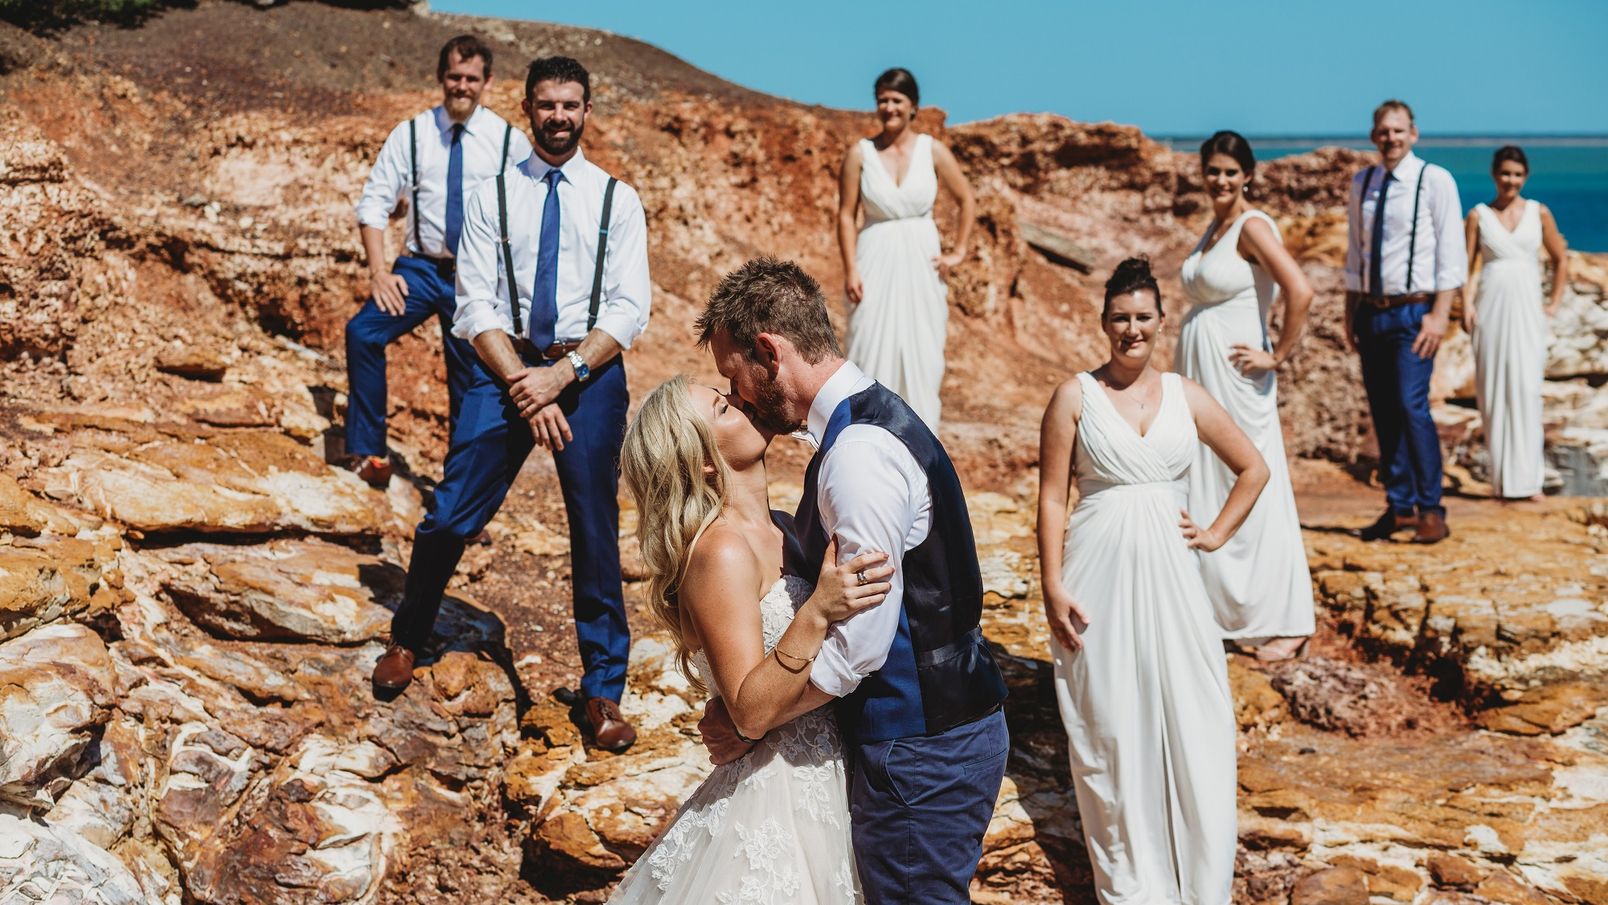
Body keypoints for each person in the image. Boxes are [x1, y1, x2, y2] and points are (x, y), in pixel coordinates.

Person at [695, 257, 1010, 904]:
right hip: (923, 740)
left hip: (921, 748)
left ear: (769, 351)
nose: (741, 397)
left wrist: (755, 717)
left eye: (736, 378)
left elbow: (862, 643)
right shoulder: (860, 428)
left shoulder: (859, 455)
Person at [371, 57, 652, 755]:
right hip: (503, 369)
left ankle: (602, 689)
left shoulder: (617, 199)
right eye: (547, 104)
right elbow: (473, 304)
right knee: (448, 513)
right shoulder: (492, 198)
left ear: (587, 112)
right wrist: (526, 381)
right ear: (527, 109)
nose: (559, 116)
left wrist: (561, 375)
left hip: (585, 374)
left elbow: (629, 307)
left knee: (593, 526)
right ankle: (409, 633)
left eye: (571, 105)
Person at [1036, 257, 1268, 905]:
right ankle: (1135, 888)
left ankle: (1201, 884)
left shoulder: (1187, 395)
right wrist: (1052, 583)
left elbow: (1253, 468)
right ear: (1103, 322)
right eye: (1120, 318)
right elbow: (1052, 498)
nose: (1131, 329)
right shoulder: (1074, 395)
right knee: (1110, 724)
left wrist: (1215, 533)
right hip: (1096, 573)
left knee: (1199, 718)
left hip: (1174, 575)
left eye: (1142, 317)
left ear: (1162, 321)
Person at [609, 376, 892, 903]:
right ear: (706, 462)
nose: (742, 400)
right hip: (772, 797)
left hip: (828, 778)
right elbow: (750, 711)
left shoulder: (786, 528)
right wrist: (817, 611)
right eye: (723, 407)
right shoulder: (720, 552)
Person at [345, 35, 531, 487]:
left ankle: (457, 495)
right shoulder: (411, 135)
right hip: (420, 270)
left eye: (471, 78)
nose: (461, 86)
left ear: (487, 81)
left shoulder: (507, 141)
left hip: (477, 278)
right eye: (454, 77)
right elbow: (373, 205)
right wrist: (378, 273)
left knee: (468, 385)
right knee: (362, 333)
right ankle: (371, 453)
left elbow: (529, 211)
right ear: (440, 78)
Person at [1175, 131, 1317, 661]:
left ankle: (1288, 618)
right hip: (1201, 373)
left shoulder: (1252, 225)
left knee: (1254, 481)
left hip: (1236, 379)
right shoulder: (1214, 227)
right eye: (1213, 170)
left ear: (1248, 175)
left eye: (1231, 171)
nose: (1220, 179)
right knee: (1207, 483)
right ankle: (1225, 611)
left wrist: (1276, 354)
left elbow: (1300, 290)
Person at [1344, 99, 1467, 544]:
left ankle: (1431, 509)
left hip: (1415, 312)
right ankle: (1399, 508)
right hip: (1371, 311)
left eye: (1398, 131)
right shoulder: (1364, 182)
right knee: (1383, 410)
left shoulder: (1434, 181)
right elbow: (1355, 252)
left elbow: (1452, 254)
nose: (1390, 138)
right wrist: (1349, 311)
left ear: (1413, 133)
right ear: (1373, 135)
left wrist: (1439, 315)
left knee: (1412, 405)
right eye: (1383, 131)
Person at [836, 67, 975, 431]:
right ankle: (867, 436)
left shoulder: (934, 150)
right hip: (874, 258)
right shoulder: (860, 154)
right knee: (867, 346)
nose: (888, 107)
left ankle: (921, 448)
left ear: (913, 105)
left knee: (923, 354)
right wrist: (851, 268)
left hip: (921, 262)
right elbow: (845, 215)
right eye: (882, 99)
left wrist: (958, 251)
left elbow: (966, 199)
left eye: (896, 99)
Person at [1463, 145, 1570, 501]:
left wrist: (1552, 304)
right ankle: (1502, 482)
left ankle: (1530, 481)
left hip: (1527, 309)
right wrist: (1466, 306)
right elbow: (1467, 268)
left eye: (1517, 174)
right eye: (1505, 173)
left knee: (1526, 390)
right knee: (1493, 392)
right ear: (1495, 174)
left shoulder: (1539, 213)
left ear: (1525, 177)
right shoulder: (1478, 215)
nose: (1511, 180)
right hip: (1490, 308)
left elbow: (1560, 258)